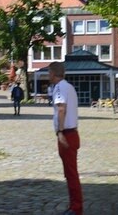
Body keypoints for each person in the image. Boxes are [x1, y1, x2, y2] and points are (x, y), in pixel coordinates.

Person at [49, 61, 83, 215]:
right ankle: (73, 205)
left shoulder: (59, 88)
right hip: (72, 132)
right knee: (70, 173)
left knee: (71, 173)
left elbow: (62, 109)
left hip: (67, 133)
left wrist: (60, 131)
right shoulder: (69, 87)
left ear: (53, 73)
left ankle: (76, 208)